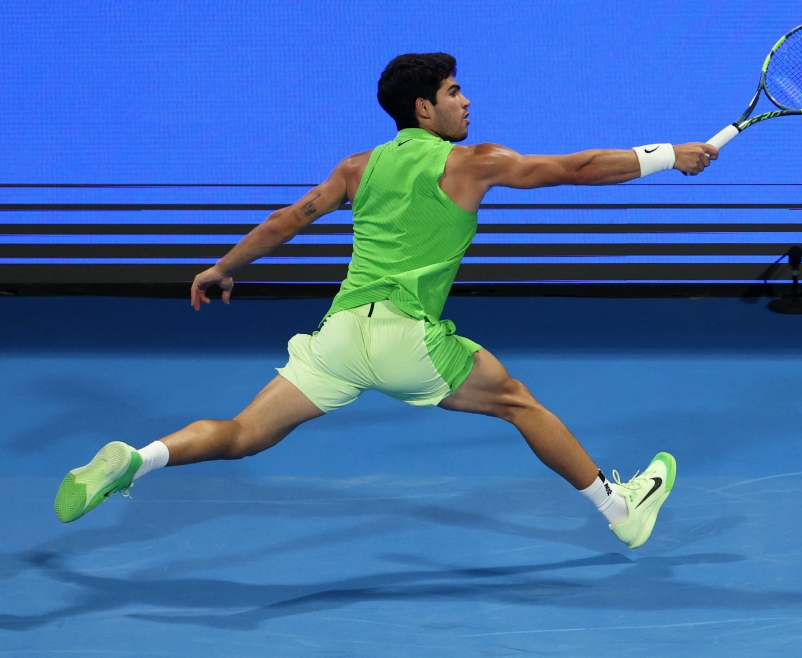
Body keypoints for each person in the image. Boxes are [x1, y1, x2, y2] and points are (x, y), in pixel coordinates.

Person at [54, 53, 718, 549]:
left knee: (243, 434)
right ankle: (620, 512)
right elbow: (574, 169)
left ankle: (139, 459)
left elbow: (288, 219)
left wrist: (222, 268)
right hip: (408, 341)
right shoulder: (472, 162)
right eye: (454, 92)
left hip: (339, 338)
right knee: (518, 402)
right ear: (423, 110)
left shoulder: (357, 167)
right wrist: (669, 156)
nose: (466, 101)